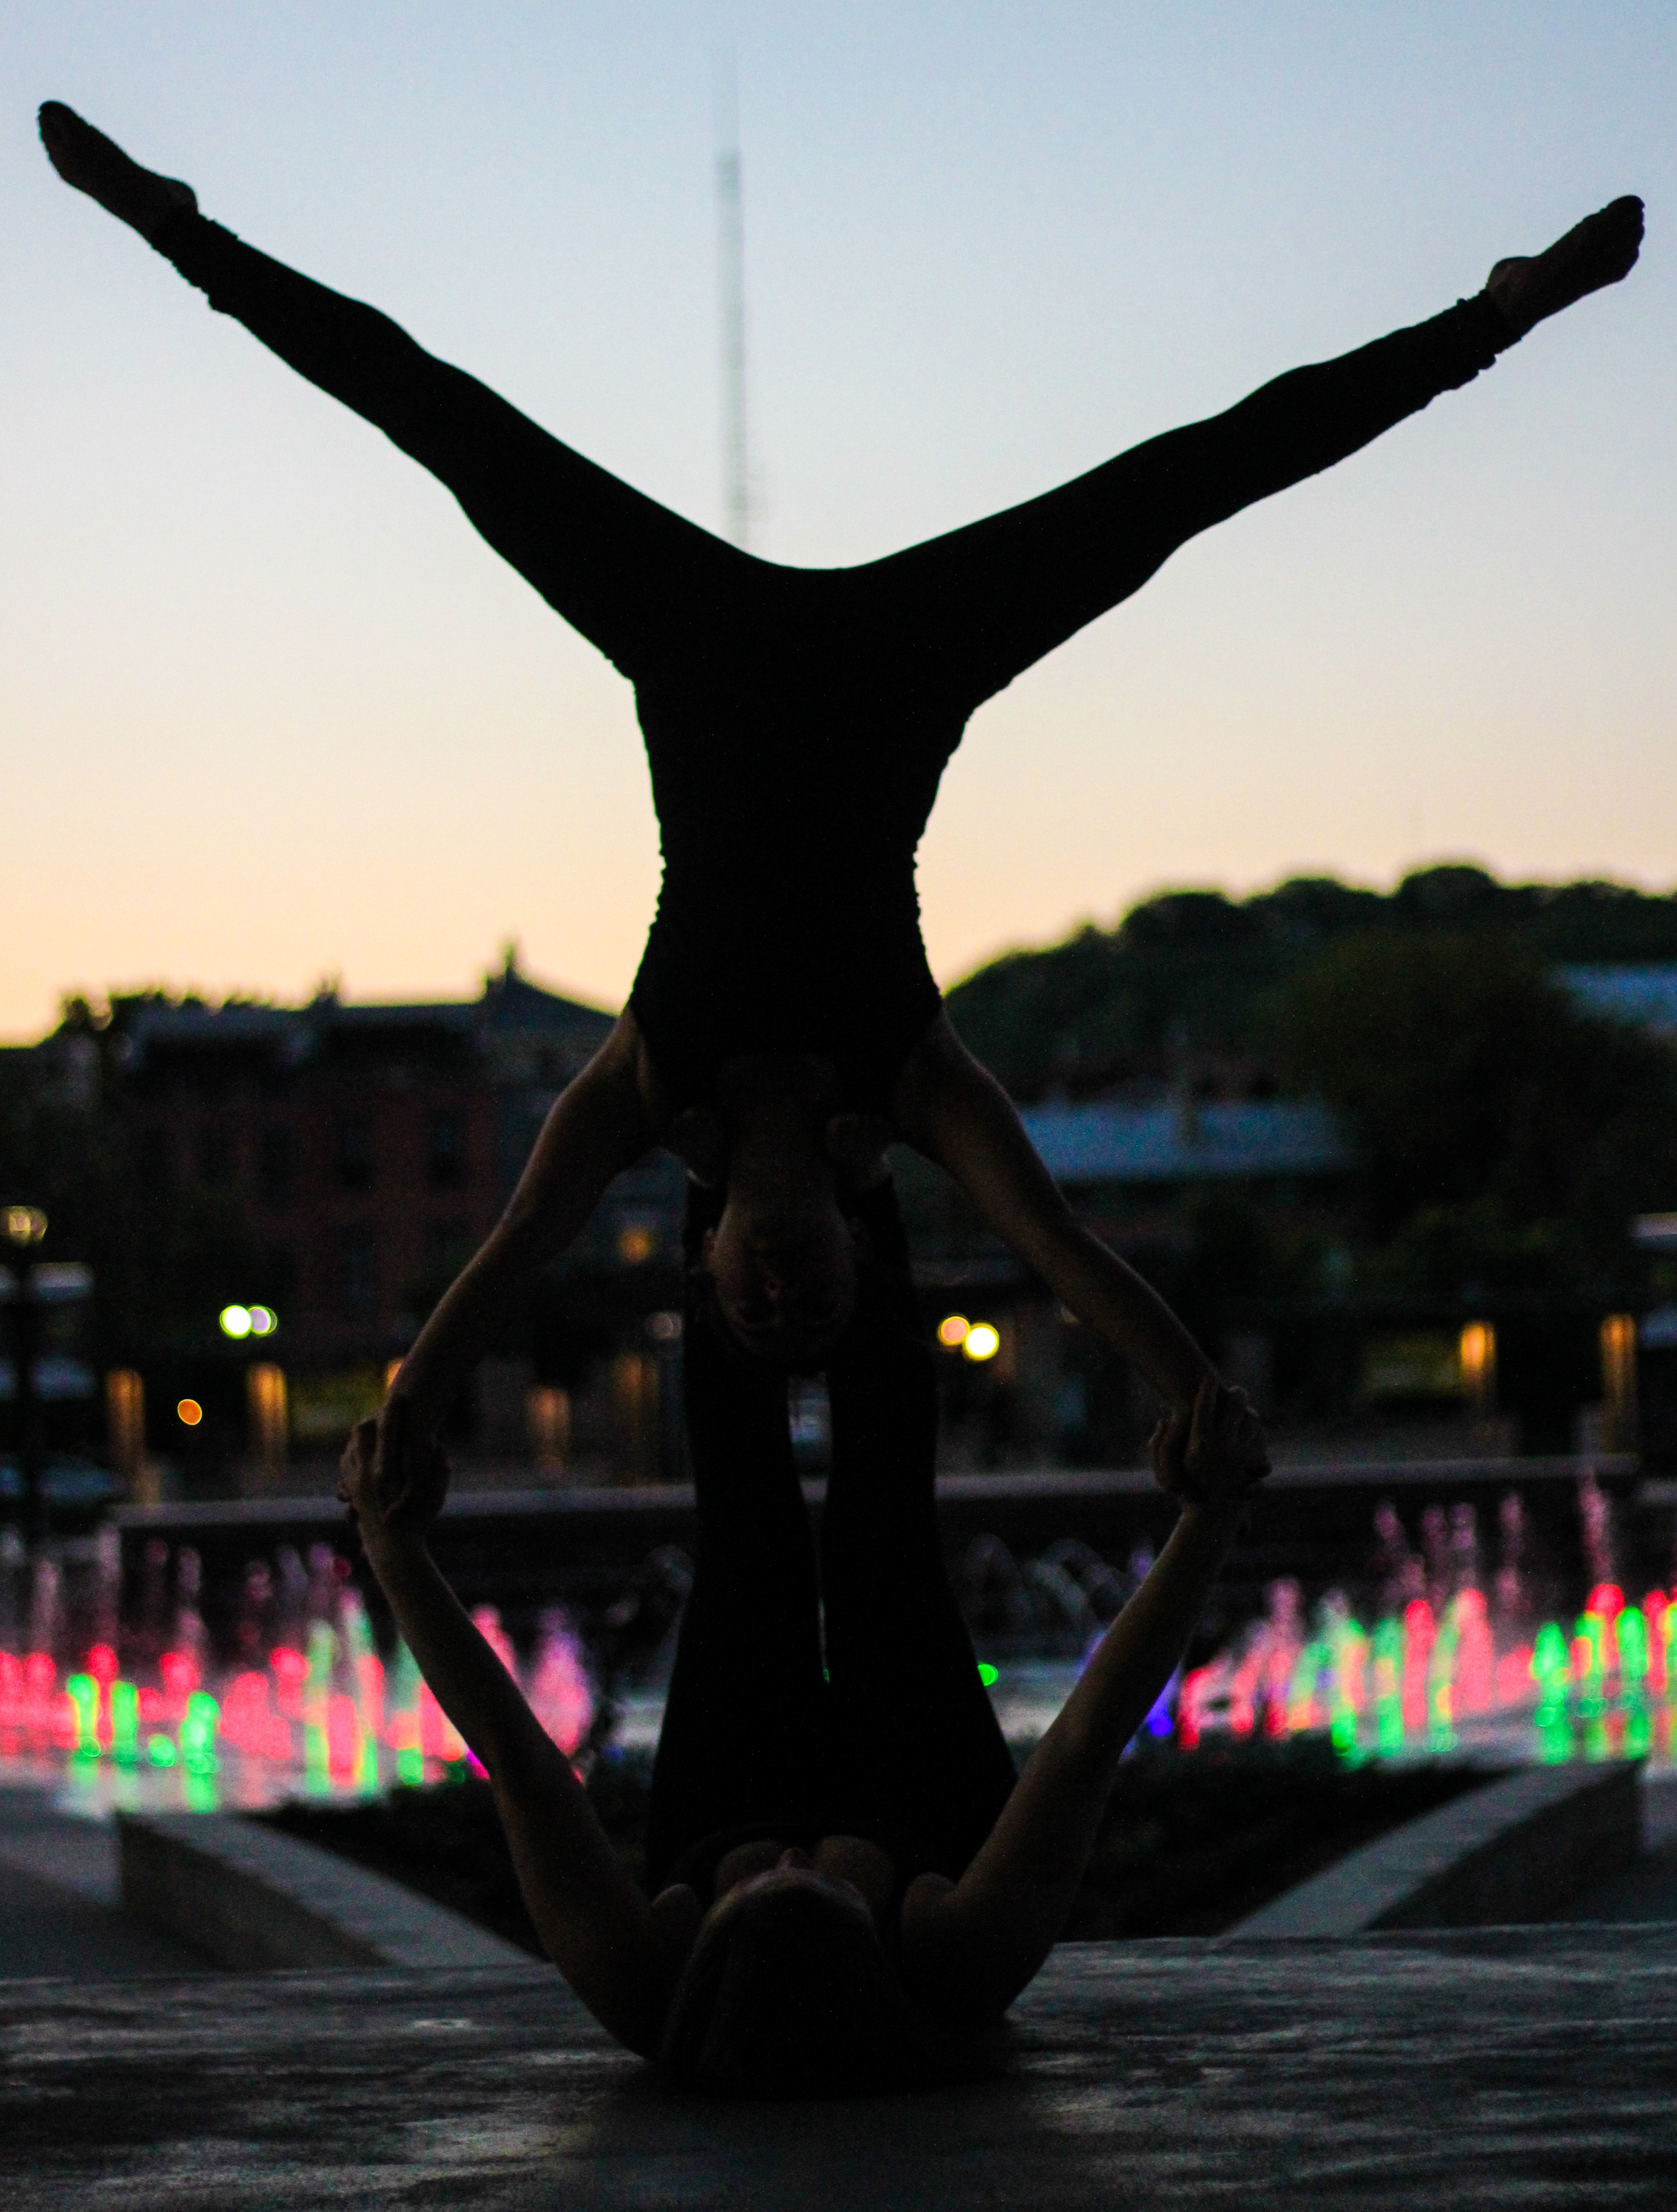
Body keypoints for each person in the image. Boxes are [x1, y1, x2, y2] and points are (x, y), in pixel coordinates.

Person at [39, 103, 1642, 1472]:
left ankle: (173, 231)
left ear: (709, 1255)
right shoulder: (914, 1083)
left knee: (437, 415)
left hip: (695, 645)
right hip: (898, 670)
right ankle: (1488, 319)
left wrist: (407, 1409)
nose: (781, 1296)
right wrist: (1197, 1397)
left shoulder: (639, 1089)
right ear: (862, 1263)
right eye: (813, 1306)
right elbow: (1061, 1249)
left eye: (753, 1307)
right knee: (1189, 480)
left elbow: (507, 1254)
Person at [337, 1169, 1267, 2093]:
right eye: (814, 1881)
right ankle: (854, 1179)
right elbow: (1081, 1746)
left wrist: (391, 1545)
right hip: (922, 1790)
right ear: (872, 1950)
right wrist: (1208, 1518)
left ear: (705, 1946)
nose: (794, 1852)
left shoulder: (641, 1981)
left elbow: (522, 1765)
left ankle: (725, 1175)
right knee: (885, 1518)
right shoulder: (961, 1961)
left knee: (744, 1520)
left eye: (757, 1887)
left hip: (728, 1785)